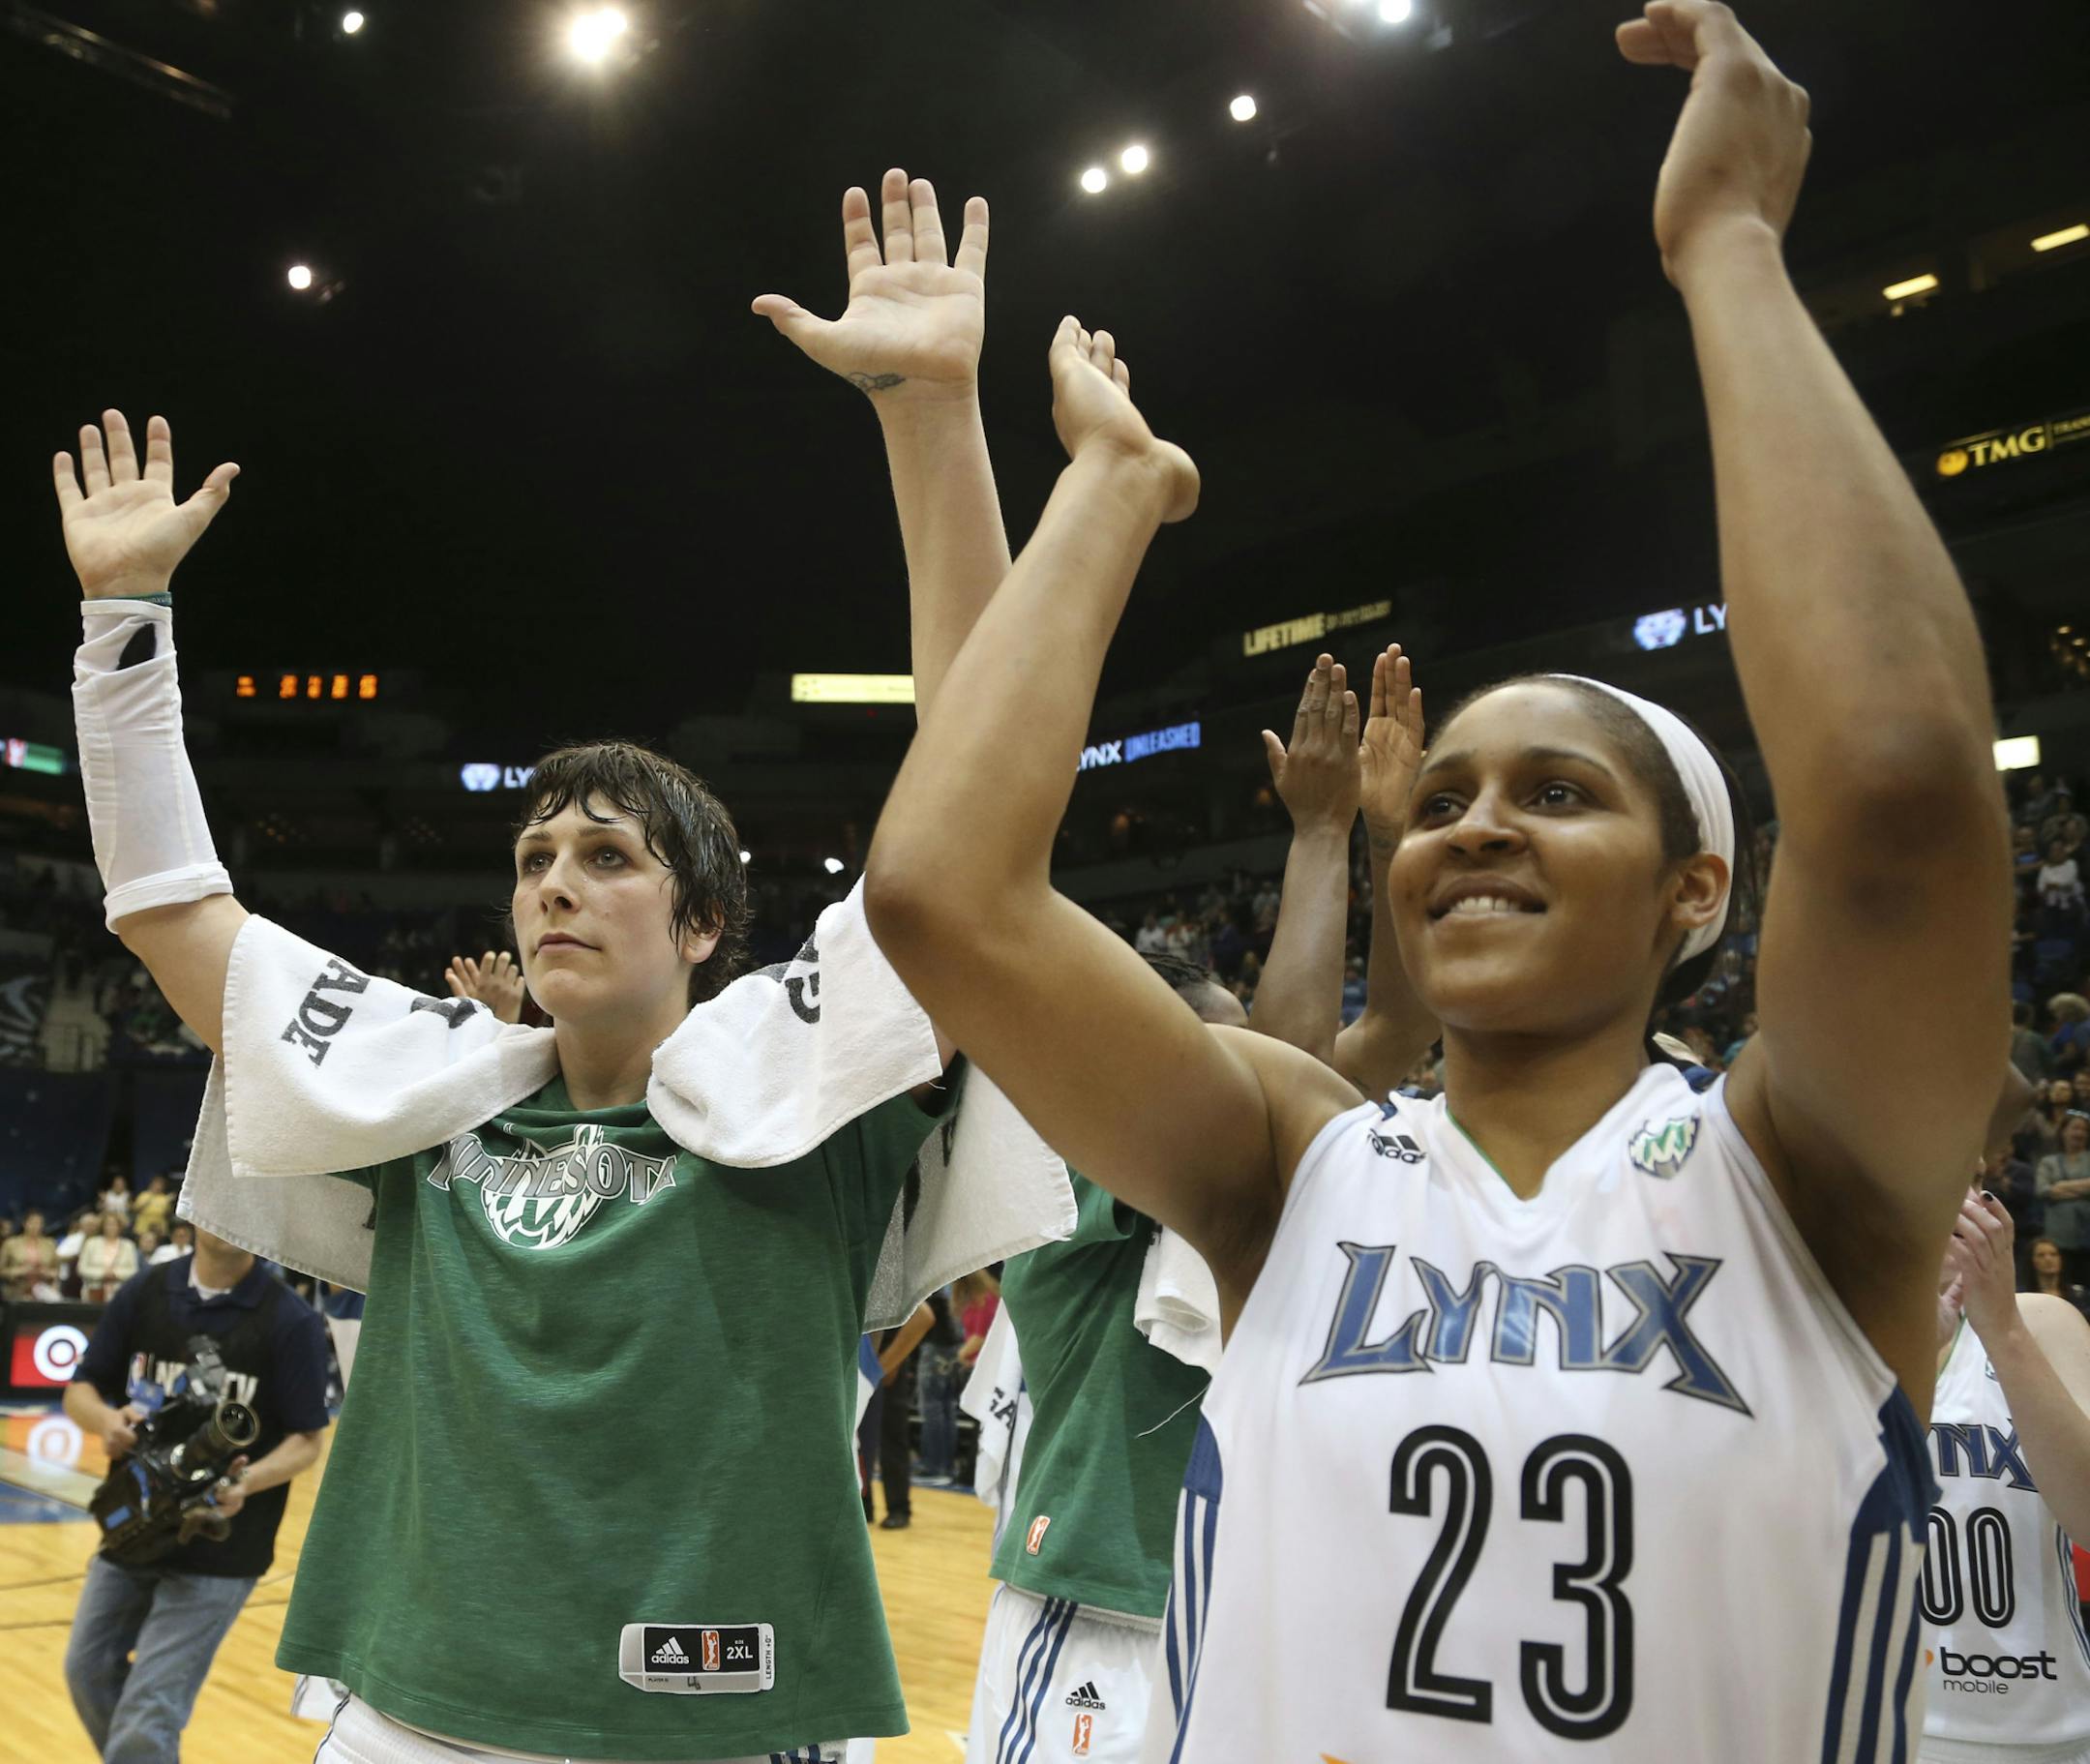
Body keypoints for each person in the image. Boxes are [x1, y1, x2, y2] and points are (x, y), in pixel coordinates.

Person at [864, 6, 2011, 1757]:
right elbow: (944, 892)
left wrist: (1728, 253)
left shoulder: (1808, 1168)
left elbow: (1903, 799)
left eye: (1555, 792)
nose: (1471, 824)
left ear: (1700, 888)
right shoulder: (1294, 1155)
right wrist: (1106, 488)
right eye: (1450, 796)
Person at [54, 169, 1045, 1762]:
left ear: (708, 922)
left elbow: (988, 789)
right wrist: (124, 625)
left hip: (728, 1719)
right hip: (418, 1716)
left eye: (609, 856)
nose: (555, 885)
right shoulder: (425, 1087)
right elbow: (175, 913)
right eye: (533, 858)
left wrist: (929, 417)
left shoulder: (814, 1088)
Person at [62, 1228, 330, 1764]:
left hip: (222, 1547)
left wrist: (244, 1482)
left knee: (149, 1713)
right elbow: (80, 1389)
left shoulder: (290, 1320)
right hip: (133, 1526)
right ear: (191, 1213)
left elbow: (307, 1441)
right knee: (87, 1670)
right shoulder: (145, 1291)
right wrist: (107, 1421)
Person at [1922, 1192, 2090, 1762]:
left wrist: (2004, 1329)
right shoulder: (1830, 1325)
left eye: (1972, 1176)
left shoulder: (2041, 1320)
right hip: (1882, 1717)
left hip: (2045, 1727)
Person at [2035, 1113, 2090, 1288]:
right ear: (2063, 1131)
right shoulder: (2048, 1162)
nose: (2079, 1133)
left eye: (2084, 1129)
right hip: (2058, 1231)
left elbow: (2054, 1190)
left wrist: (2060, 1186)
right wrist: (2084, 1188)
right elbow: (2043, 1190)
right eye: (2075, 1127)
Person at [77, 1210, 139, 1302]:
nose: (111, 1227)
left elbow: (133, 1270)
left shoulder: (128, 1245)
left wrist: (115, 1274)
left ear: (120, 1226)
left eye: (114, 1224)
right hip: (93, 1291)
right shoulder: (91, 1243)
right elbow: (82, 1268)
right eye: (108, 1224)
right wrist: (102, 1274)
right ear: (102, 1226)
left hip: (120, 1292)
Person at [1, 1208, 61, 1301]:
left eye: (39, 1223)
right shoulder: (11, 1243)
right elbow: (1, 1270)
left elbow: (57, 1270)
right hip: (16, 1290)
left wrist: (47, 1272)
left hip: (43, 1291)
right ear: (24, 1224)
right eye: (32, 1222)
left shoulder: (50, 1244)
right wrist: (18, 1271)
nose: (36, 1226)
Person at [2025, 1238, 2090, 1323]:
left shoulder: (2080, 1295)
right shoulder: (2024, 1298)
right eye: (2041, 1255)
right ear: (2031, 1261)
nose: (2048, 1259)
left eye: (2054, 1254)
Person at [131, 1173, 175, 1241]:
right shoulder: (144, 1195)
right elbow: (135, 1210)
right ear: (151, 1184)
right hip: (143, 1227)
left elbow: (167, 1215)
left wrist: (169, 1203)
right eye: (156, 1184)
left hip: (159, 1227)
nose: (158, 1186)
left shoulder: (165, 1198)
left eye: (160, 1185)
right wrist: (148, 1201)